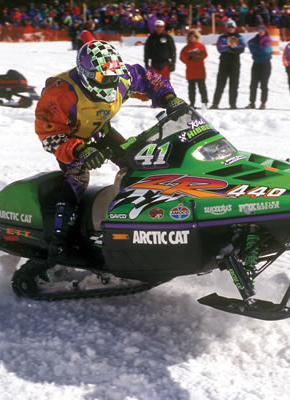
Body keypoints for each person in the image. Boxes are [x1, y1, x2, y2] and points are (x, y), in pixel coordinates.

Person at [35, 40, 184, 264]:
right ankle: (58, 243)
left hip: (101, 132)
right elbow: (49, 135)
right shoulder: (61, 93)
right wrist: (80, 149)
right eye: (104, 79)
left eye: (114, 76)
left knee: (139, 161)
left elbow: (148, 79)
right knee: (77, 176)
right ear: (86, 74)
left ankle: (141, 223)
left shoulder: (122, 77)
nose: (111, 82)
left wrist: (168, 97)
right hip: (71, 140)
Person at [210, 19, 246, 110]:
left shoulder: (239, 37)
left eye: (232, 27)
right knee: (220, 83)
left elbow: (242, 48)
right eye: (229, 27)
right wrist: (230, 47)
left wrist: (234, 48)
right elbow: (220, 48)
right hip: (224, 62)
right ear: (226, 28)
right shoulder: (222, 37)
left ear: (235, 28)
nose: (230, 29)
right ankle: (215, 103)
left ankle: (233, 104)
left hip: (235, 62)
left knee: (234, 84)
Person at [179, 29, 209, 109]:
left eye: (194, 36)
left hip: (200, 70)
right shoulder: (186, 48)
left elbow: (205, 54)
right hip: (190, 71)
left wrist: (198, 57)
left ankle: (204, 102)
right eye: (190, 36)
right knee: (191, 89)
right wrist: (189, 59)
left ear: (196, 37)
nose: (192, 38)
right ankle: (192, 103)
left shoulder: (200, 46)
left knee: (202, 88)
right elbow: (182, 57)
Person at [245, 24, 272, 110]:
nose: (260, 31)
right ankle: (252, 102)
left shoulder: (268, 39)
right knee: (253, 84)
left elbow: (266, 50)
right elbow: (249, 44)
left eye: (262, 30)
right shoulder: (254, 39)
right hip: (256, 64)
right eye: (259, 29)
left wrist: (256, 48)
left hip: (265, 64)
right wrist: (258, 48)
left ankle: (263, 102)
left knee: (264, 85)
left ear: (265, 31)